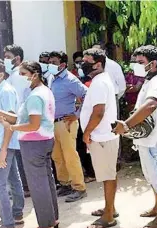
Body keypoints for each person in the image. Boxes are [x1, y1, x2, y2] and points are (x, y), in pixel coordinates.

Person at [113, 45, 157, 228]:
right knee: (152, 177)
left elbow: (150, 105)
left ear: (152, 64)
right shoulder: (150, 79)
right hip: (147, 139)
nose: (136, 66)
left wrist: (126, 125)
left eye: (140, 62)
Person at [0, 61, 59, 228]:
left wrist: (11, 126)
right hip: (44, 140)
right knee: (46, 181)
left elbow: (33, 125)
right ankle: (52, 219)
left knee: (38, 185)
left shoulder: (35, 96)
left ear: (35, 74)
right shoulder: (44, 91)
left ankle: (46, 223)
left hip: (34, 143)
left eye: (24, 74)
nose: (21, 78)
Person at [78, 49, 120, 228]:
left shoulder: (99, 83)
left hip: (102, 137)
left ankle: (108, 217)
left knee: (107, 176)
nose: (82, 64)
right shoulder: (100, 80)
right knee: (108, 174)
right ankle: (110, 208)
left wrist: (86, 133)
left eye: (87, 61)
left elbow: (98, 112)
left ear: (98, 64)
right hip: (103, 135)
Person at [0, 58, 25, 227]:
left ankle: (8, 222)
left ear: (0, 74)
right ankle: (16, 214)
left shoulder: (5, 91)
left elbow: (10, 122)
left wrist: (3, 150)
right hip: (0, 142)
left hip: (2, 143)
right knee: (13, 179)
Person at [48, 50, 88, 202]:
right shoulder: (52, 78)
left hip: (66, 123)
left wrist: (76, 115)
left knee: (70, 156)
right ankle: (65, 184)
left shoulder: (71, 80)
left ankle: (79, 187)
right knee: (57, 156)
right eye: (49, 62)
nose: (50, 65)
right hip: (54, 122)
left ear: (62, 65)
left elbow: (87, 95)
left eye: (54, 63)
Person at [3, 45, 30, 195]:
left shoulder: (19, 76)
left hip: (19, 121)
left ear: (17, 58)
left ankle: (25, 186)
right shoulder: (14, 75)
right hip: (18, 121)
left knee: (20, 156)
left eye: (7, 57)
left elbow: (19, 100)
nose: (5, 60)